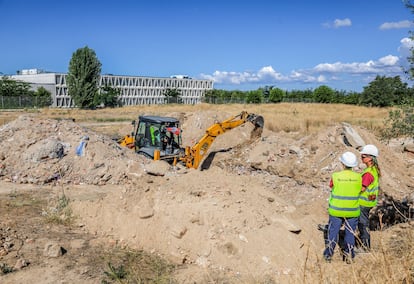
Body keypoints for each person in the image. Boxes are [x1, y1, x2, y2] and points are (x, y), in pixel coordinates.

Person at [323, 151, 362, 263]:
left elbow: (331, 186)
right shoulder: (359, 177)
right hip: (352, 211)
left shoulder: (335, 176)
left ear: (342, 164)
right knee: (350, 234)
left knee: (333, 233)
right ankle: (349, 256)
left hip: (336, 210)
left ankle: (328, 255)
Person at [358, 144, 381, 251]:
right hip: (369, 201)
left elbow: (361, 189)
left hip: (364, 203)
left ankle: (365, 247)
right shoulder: (373, 170)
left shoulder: (368, 173)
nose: (361, 158)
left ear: (370, 158)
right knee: (363, 223)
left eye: (363, 156)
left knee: (363, 225)